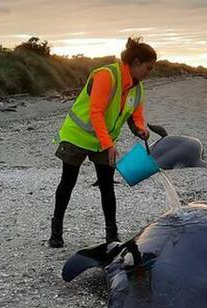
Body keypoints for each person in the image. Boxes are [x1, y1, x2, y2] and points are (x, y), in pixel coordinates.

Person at [48, 37, 157, 248]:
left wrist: (141, 130)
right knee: (68, 182)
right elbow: (95, 112)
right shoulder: (107, 76)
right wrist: (109, 145)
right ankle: (56, 230)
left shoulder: (138, 88)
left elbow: (135, 115)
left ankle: (112, 236)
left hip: (102, 141)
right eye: (148, 68)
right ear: (135, 62)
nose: (149, 73)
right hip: (77, 136)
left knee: (107, 186)